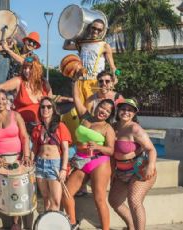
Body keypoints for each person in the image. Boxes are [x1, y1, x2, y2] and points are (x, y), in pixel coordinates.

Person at [62, 80, 116, 230]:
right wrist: (75, 82)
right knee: (66, 193)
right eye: (102, 107)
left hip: (99, 162)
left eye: (107, 111)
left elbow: (111, 150)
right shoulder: (85, 117)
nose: (103, 111)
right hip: (81, 160)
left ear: (110, 115)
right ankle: (73, 224)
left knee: (99, 199)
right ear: (97, 106)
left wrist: (98, 146)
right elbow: (77, 98)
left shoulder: (108, 128)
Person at [0, 89, 31, 230]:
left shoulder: (16, 115)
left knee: (18, 193)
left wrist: (26, 156)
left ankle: (16, 224)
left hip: (17, 160)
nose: (0, 102)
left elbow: (25, 137)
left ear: (7, 101)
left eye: (3, 99)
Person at [109, 99, 157, 230]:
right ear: (118, 111)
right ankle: (131, 226)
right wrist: (112, 172)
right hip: (121, 171)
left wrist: (151, 166)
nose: (126, 112)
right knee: (114, 200)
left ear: (134, 113)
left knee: (134, 201)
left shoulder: (134, 128)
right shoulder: (113, 127)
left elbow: (151, 149)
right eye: (123, 109)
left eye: (130, 110)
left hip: (139, 169)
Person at [31, 97, 71, 212]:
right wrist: (30, 162)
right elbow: (34, 148)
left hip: (54, 165)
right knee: (46, 198)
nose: (45, 109)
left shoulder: (60, 126)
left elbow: (65, 150)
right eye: (43, 107)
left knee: (56, 201)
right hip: (40, 164)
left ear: (53, 109)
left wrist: (63, 169)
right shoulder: (38, 128)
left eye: (49, 107)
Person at [63, 19, 117, 103]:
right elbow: (66, 46)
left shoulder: (105, 46)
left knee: (93, 109)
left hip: (95, 83)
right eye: (94, 28)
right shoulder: (82, 43)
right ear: (89, 28)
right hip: (80, 81)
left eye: (99, 30)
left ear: (102, 32)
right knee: (79, 109)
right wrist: (71, 31)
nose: (96, 31)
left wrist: (116, 75)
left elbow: (113, 67)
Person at [0, 56, 52, 133]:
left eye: (30, 68)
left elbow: (52, 105)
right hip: (22, 129)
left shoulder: (44, 83)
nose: (27, 71)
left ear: (37, 69)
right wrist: (1, 105)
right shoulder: (18, 81)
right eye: (25, 68)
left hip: (42, 129)